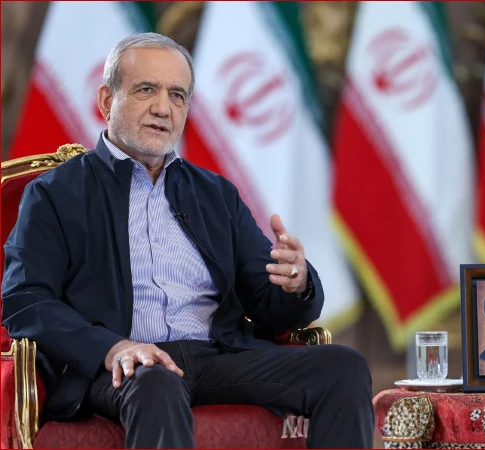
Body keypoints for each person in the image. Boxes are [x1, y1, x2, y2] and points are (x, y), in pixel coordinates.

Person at [1, 33, 374, 448]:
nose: (163, 108)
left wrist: (296, 283)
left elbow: (267, 304)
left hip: (217, 357)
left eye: (177, 95)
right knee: (155, 383)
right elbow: (25, 300)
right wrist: (112, 348)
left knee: (343, 367)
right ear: (107, 100)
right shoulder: (55, 193)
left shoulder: (215, 193)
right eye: (146, 90)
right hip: (123, 366)